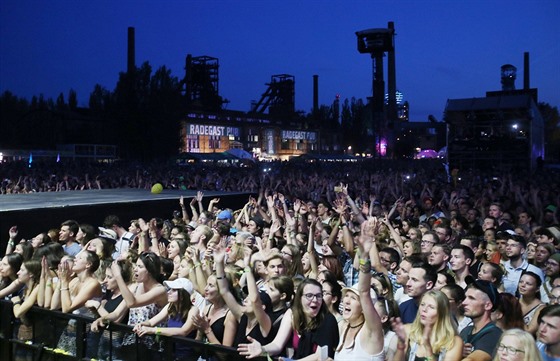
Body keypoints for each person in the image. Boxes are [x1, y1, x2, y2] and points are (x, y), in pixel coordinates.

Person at [237, 278, 339, 360]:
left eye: (319, 296)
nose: (315, 300)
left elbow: (321, 356)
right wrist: (262, 349)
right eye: (309, 296)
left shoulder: (328, 320)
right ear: (299, 298)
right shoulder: (292, 314)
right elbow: (277, 345)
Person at [334, 219, 385, 361]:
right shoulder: (344, 327)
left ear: (365, 307)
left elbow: (364, 292)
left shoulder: (372, 331)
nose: (346, 301)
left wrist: (364, 256)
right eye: (347, 296)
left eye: (353, 298)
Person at [111, 251, 168, 361]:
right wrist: (102, 319)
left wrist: (118, 277)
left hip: (152, 347)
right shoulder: (135, 287)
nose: (135, 269)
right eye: (136, 265)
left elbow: (132, 303)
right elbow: (117, 313)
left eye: (140, 266)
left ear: (150, 271)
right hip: (132, 342)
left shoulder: (160, 290)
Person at [133, 278, 199, 359]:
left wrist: (154, 330)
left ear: (183, 295)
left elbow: (183, 331)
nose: (169, 292)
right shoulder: (170, 306)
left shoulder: (193, 310)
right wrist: (141, 324)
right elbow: (151, 322)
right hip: (170, 354)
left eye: (174, 290)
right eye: (170, 289)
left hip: (186, 356)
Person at [391, 290, 464, 361]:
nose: (424, 309)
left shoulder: (453, 342)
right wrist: (400, 346)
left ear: (442, 313)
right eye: (422, 304)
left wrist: (428, 348)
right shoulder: (408, 330)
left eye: (431, 307)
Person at [460, 280, 503, 361]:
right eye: (465, 297)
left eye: (472, 298)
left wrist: (456, 351)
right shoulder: (465, 331)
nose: (464, 302)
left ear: (487, 305)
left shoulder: (494, 334)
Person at [518, 271, 546, 336]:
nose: (522, 285)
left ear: (537, 289)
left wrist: (516, 312)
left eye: (528, 284)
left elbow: (528, 331)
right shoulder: (514, 301)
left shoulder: (541, 307)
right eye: (521, 282)